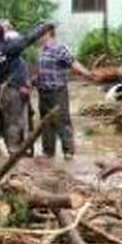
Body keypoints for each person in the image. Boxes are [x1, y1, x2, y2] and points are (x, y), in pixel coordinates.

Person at [0, 19, 53, 154]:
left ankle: (1, 151)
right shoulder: (8, 47)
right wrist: (44, 26)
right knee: (14, 121)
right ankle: (13, 150)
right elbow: (28, 38)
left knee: (0, 121)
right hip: (11, 89)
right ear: (3, 34)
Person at [36, 24, 95, 160]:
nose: (37, 36)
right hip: (43, 91)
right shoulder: (41, 51)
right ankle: (48, 152)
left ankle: (68, 151)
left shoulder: (59, 49)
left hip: (57, 91)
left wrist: (88, 74)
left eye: (40, 33)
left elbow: (73, 63)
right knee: (46, 122)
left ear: (48, 33)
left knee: (62, 120)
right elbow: (41, 71)